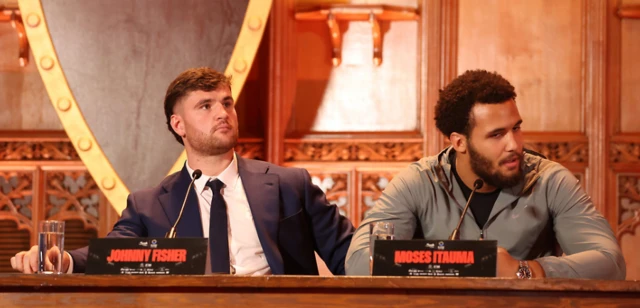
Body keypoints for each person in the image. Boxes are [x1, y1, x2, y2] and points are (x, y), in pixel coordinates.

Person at [11, 67, 354, 275]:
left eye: (226, 103)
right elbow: (114, 254)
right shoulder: (150, 205)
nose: (222, 113)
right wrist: (64, 261)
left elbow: (350, 254)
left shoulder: (289, 184)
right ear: (179, 125)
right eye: (206, 105)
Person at [345, 70, 626, 279]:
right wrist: (460, 261)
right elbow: (360, 263)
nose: (514, 144)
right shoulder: (418, 182)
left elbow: (611, 263)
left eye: (516, 128)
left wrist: (524, 270)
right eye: (496, 134)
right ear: (459, 142)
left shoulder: (550, 180)